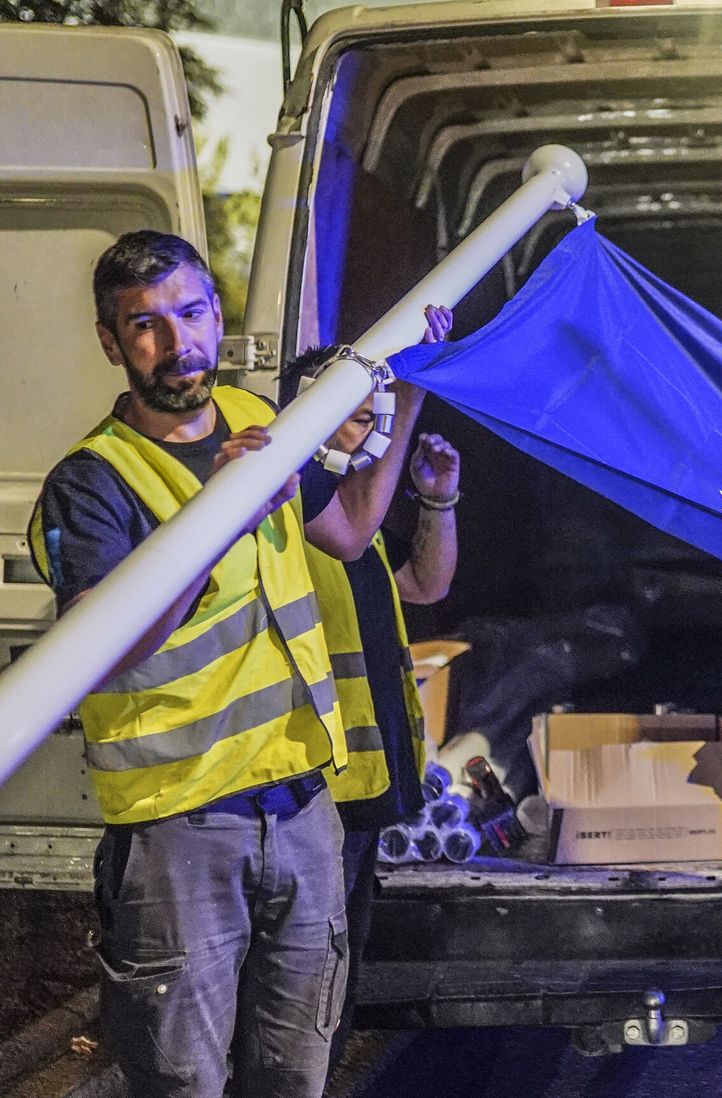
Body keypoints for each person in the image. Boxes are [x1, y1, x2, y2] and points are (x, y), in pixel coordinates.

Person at [27, 231, 421, 1097]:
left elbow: (349, 531)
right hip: (181, 832)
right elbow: (102, 648)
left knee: (294, 1075)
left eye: (193, 314)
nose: (178, 345)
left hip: (305, 812)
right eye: (146, 326)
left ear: (216, 314)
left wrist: (417, 391)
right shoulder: (93, 483)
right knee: (182, 1082)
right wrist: (219, 513)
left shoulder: (253, 420)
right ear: (110, 341)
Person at [284, 336, 461, 1072]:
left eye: (369, 416)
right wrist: (410, 385)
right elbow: (353, 541)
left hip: (367, 779)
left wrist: (439, 497)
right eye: (346, 414)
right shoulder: (294, 491)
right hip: (314, 783)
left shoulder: (354, 502)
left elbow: (427, 583)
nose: (361, 430)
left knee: (338, 960)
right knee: (304, 964)